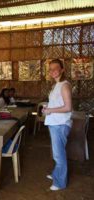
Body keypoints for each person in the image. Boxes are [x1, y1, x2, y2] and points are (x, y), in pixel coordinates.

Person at [43, 59, 72, 191]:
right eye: (50, 69)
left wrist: (50, 110)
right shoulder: (56, 85)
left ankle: (60, 182)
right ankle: (56, 174)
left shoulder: (64, 85)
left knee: (59, 155)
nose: (52, 71)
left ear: (62, 70)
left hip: (60, 124)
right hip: (55, 123)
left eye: (55, 68)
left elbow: (68, 107)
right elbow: (58, 104)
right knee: (57, 153)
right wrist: (47, 108)